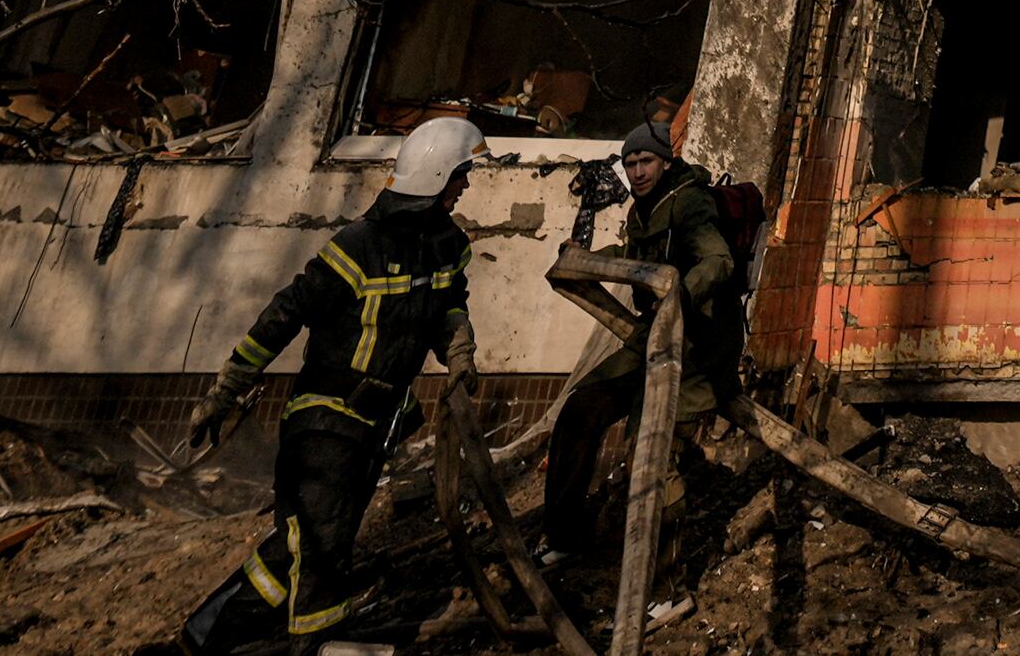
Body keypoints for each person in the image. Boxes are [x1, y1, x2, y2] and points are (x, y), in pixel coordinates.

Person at [181, 115, 484, 654]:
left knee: (300, 545)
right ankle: (318, 643)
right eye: (460, 175)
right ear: (437, 175)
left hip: (377, 424)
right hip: (325, 420)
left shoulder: (447, 245)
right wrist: (226, 390)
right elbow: (284, 314)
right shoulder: (358, 246)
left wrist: (459, 351)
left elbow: (448, 305)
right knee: (323, 543)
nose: (465, 186)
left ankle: (202, 639)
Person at [541, 119, 750, 580]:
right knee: (580, 410)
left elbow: (718, 260)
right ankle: (565, 539)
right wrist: (585, 259)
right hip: (655, 336)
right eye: (630, 163)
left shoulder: (689, 203)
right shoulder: (642, 212)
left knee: (652, 450)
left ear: (666, 162)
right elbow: (636, 258)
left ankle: (664, 583)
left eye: (646, 161)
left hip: (700, 347)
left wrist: (679, 297)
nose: (637, 172)